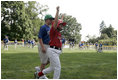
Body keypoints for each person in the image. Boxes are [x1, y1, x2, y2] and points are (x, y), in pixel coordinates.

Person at [37, 6, 66, 79]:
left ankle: (39, 74)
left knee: (52, 67)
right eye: (61, 25)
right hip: (53, 50)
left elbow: (58, 23)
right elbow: (56, 22)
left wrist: (61, 20)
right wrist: (57, 11)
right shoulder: (53, 30)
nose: (62, 26)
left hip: (56, 51)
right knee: (58, 68)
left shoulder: (58, 32)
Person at [34, 14, 54, 79]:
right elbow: (40, 37)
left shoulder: (49, 28)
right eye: (50, 19)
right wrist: (42, 47)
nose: (51, 21)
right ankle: (41, 75)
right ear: (47, 20)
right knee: (44, 61)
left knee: (51, 60)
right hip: (44, 45)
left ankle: (39, 70)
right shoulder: (43, 27)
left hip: (48, 46)